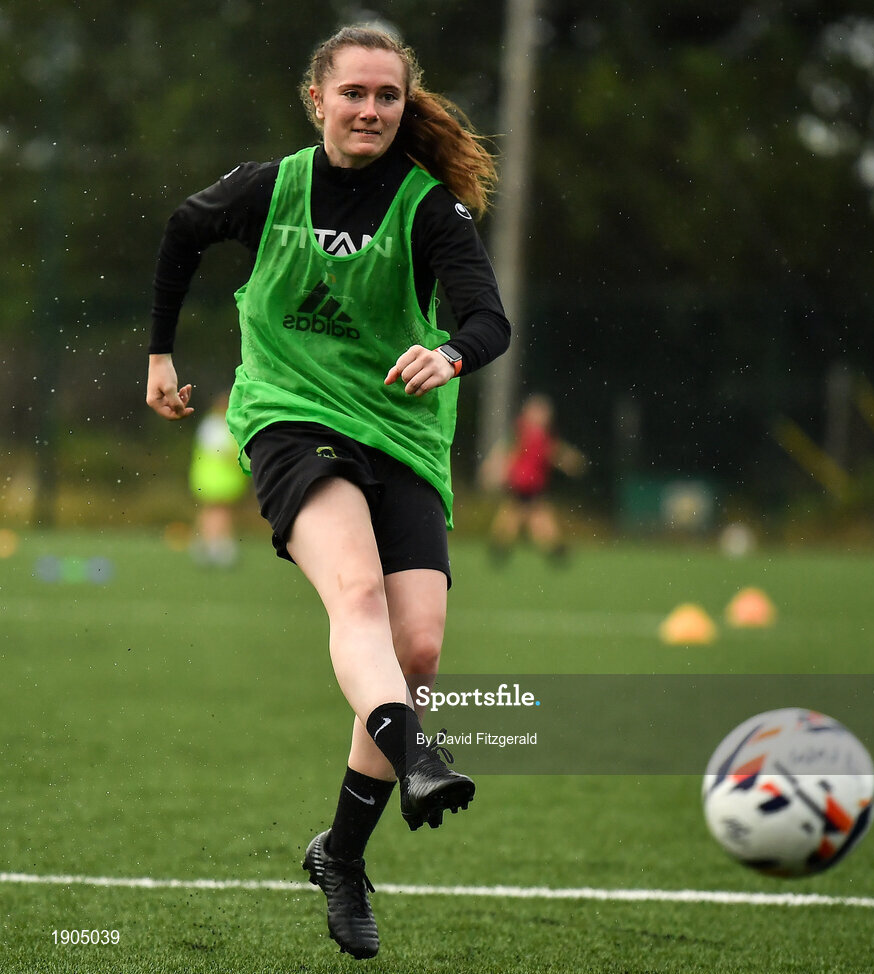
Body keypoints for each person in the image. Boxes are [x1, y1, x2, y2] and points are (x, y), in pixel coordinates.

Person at [145, 24, 510, 961]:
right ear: (318, 100)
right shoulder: (271, 186)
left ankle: (340, 858)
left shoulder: (429, 209)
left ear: (403, 106)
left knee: (418, 651)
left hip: (398, 431)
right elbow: (184, 231)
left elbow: (487, 318)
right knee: (355, 598)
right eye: (353, 93)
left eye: (387, 97)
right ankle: (419, 753)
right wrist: (159, 353)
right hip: (290, 416)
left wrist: (450, 351)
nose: (370, 111)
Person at [482, 393, 585, 563]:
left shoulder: (535, 434)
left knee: (519, 515)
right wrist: (496, 469)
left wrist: (568, 460)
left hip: (529, 483)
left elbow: (554, 452)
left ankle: (501, 547)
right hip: (524, 483)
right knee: (530, 516)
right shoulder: (524, 433)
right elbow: (507, 452)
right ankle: (555, 549)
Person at [188, 391, 249, 566]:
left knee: (216, 510)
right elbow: (222, 452)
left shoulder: (221, 424)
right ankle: (216, 547)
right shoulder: (214, 425)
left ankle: (206, 544)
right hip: (214, 479)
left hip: (220, 479)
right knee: (218, 510)